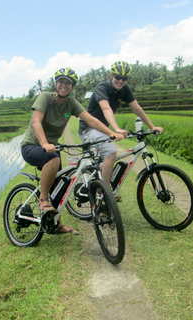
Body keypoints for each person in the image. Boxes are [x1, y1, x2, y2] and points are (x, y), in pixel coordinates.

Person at [21, 68, 124, 234]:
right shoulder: (45, 98)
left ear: (72, 86)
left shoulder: (71, 103)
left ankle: (57, 224)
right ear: (56, 83)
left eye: (68, 83)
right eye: (61, 81)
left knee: (61, 187)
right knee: (53, 160)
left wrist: (111, 132)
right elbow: (36, 122)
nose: (64, 85)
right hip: (32, 146)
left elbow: (91, 120)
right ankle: (43, 199)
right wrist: (44, 143)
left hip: (52, 149)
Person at [78, 61, 164, 198]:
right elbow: (106, 108)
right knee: (111, 152)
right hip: (88, 128)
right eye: (118, 77)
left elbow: (136, 108)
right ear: (111, 75)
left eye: (124, 78)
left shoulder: (125, 89)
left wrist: (152, 127)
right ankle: (105, 195)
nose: (121, 81)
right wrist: (116, 129)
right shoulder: (102, 87)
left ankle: (99, 183)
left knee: (106, 159)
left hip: (103, 130)